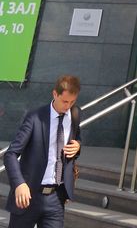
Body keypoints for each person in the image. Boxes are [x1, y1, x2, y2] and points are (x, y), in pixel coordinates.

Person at [4, 75, 82, 228]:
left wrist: (78, 145)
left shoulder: (75, 114)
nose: (68, 106)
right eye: (65, 101)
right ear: (55, 94)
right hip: (28, 195)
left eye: (72, 102)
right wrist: (19, 184)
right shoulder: (35, 118)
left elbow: (76, 138)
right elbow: (11, 154)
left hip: (56, 198)